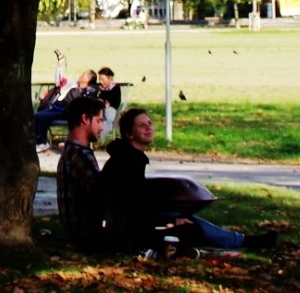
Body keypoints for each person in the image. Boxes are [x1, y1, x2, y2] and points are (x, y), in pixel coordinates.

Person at [100, 106, 270, 252]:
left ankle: (240, 240)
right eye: (141, 126)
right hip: (126, 236)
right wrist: (170, 221)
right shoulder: (128, 161)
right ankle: (240, 242)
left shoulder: (129, 156)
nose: (148, 128)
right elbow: (131, 206)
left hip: (128, 226)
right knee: (191, 231)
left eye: (150, 123)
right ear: (129, 134)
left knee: (184, 218)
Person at [54, 93, 109, 249]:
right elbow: (101, 192)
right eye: (99, 121)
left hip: (79, 231)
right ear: (85, 119)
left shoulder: (70, 151)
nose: (102, 127)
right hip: (86, 234)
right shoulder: (79, 154)